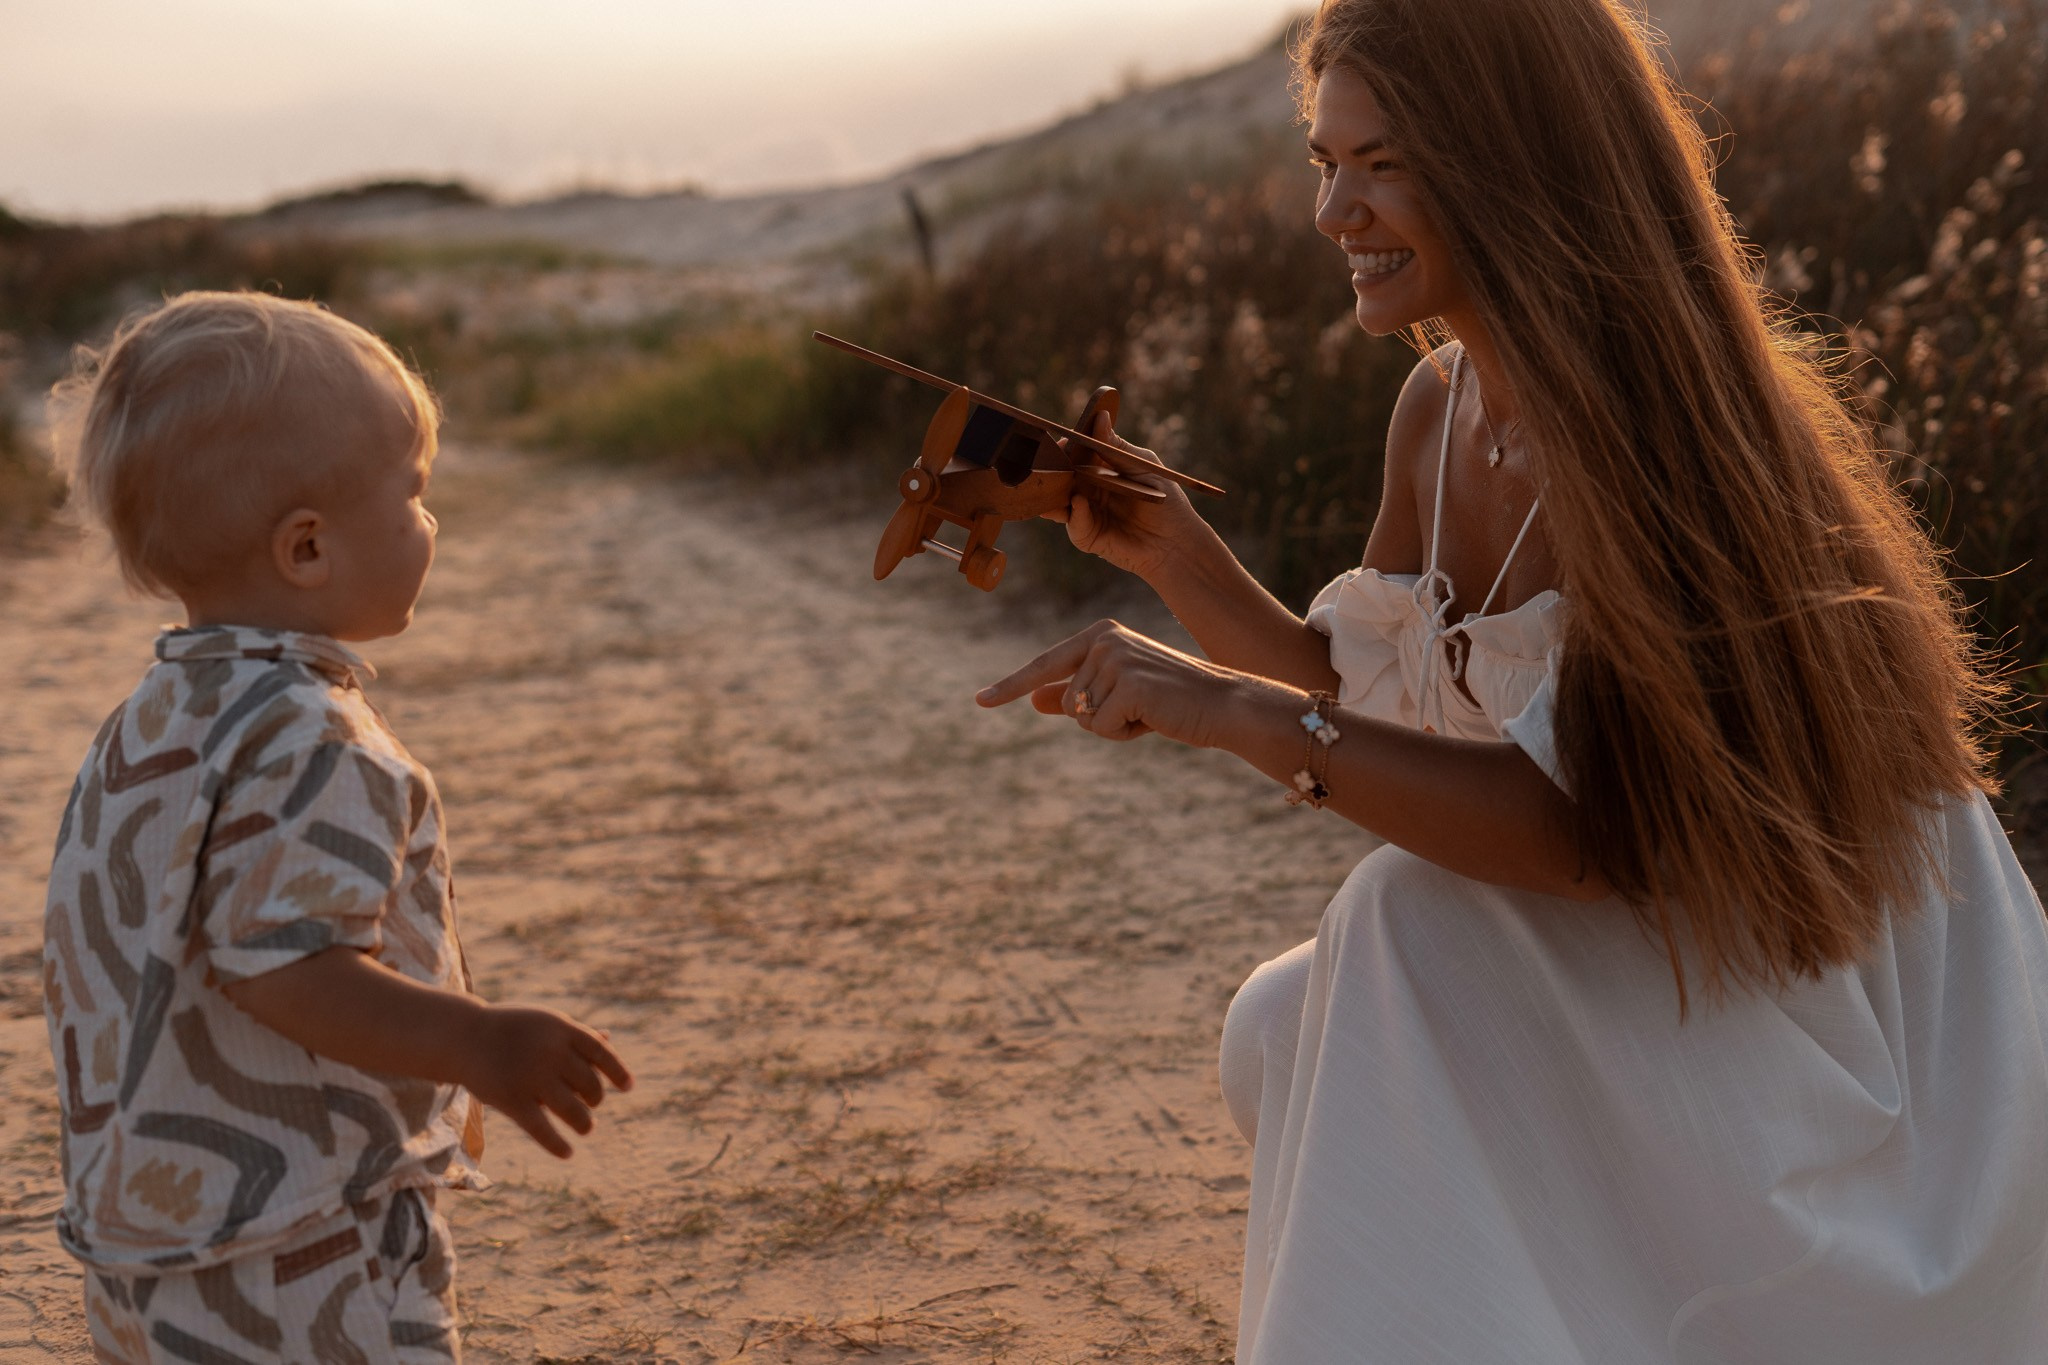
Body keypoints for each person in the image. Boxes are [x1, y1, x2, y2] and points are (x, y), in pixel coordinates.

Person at [976, 0, 2048, 1359]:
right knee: (1286, 1025)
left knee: (1403, 938)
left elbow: (1590, 829)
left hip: (1850, 1017)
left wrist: (1228, 711)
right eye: (1323, 160)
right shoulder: (1439, 406)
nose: (1331, 212)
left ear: (1507, 162)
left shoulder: (1666, 432)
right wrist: (1180, 565)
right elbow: (1381, 699)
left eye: (1381, 163)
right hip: (1688, 937)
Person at [41, 291, 633, 1362]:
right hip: (297, 1237)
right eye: (411, 496)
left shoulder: (153, 720)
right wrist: (475, 1041)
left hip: (147, 1237)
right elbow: (285, 969)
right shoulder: (319, 740)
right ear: (306, 550)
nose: (430, 522)